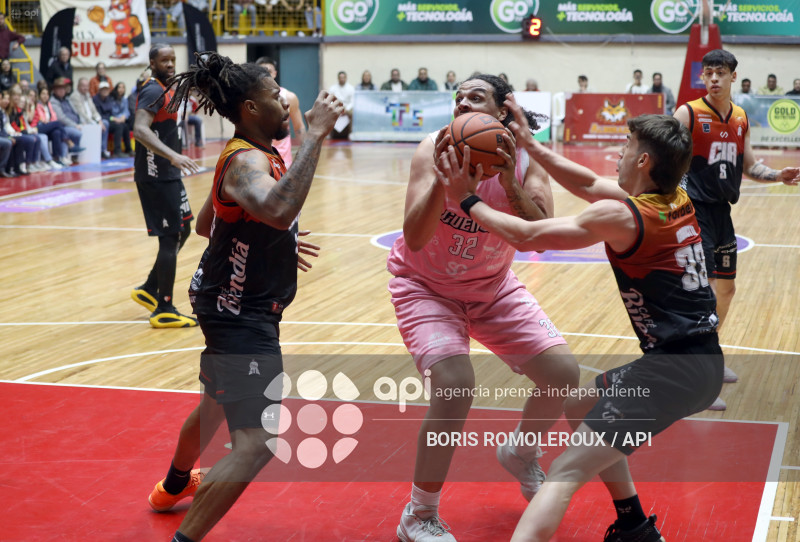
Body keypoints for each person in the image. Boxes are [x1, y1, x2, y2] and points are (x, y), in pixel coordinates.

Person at [437, 99, 723, 542]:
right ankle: (633, 525)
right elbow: (588, 183)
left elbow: (527, 236)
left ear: (644, 161)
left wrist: (466, 198)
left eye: (627, 145)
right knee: (579, 404)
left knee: (565, 471)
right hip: (700, 363)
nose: (619, 153)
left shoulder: (625, 216)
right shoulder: (674, 198)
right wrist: (532, 144)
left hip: (672, 371)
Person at [145, 51, 343, 542]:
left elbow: (208, 225)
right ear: (251, 108)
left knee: (215, 404)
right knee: (256, 443)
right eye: (276, 95)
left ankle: (173, 484)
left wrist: (275, 242)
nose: (285, 101)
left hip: (223, 299)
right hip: (240, 314)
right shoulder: (247, 160)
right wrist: (315, 134)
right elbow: (276, 209)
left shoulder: (245, 151)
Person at [388, 73, 579, 542]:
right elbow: (414, 238)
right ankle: (419, 514)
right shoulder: (432, 149)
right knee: (454, 387)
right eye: (459, 97)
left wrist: (509, 186)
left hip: (493, 288)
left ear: (502, 111)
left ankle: (520, 452)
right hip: (426, 287)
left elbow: (541, 237)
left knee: (563, 373)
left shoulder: (525, 158)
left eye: (476, 97)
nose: (462, 103)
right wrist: (444, 184)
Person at [674, 49, 800, 409]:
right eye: (708, 73)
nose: (714, 79)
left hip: (721, 212)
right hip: (693, 211)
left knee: (726, 291)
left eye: (720, 73)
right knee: (706, 291)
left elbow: (749, 165)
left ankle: (708, 355)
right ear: (703, 77)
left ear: (733, 77)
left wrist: (777, 175)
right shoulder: (687, 113)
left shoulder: (741, 117)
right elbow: (665, 156)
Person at [130, 44, 202, 328]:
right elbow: (140, 129)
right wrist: (173, 155)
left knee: (183, 228)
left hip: (168, 174)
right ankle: (164, 308)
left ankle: (150, 288)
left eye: (173, 59)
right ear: (152, 63)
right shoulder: (152, 89)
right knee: (170, 237)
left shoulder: (167, 87)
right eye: (164, 60)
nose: (170, 64)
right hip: (156, 175)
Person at [255, 56, 306, 166]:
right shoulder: (250, 98)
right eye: (261, 71)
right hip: (258, 160)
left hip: (283, 160)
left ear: (275, 73)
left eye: (269, 71)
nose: (265, 75)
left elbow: (299, 127)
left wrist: (305, 156)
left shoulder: (289, 97)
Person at [46, 78, 85, 165]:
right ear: (54, 90)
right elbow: (61, 118)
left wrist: (80, 121)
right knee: (74, 132)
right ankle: (67, 153)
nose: (62, 90)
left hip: (70, 124)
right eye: (59, 88)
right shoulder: (53, 102)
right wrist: (74, 125)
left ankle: (68, 156)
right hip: (63, 125)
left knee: (63, 133)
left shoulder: (67, 99)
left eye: (63, 88)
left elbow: (76, 112)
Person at [70, 77, 109, 158]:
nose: (85, 88)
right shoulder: (75, 96)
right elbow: (81, 113)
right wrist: (94, 123)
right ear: (78, 86)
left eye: (87, 86)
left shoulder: (87, 95)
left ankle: (102, 150)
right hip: (82, 121)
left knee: (105, 123)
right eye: (83, 86)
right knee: (96, 126)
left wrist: (99, 120)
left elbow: (94, 110)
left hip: (91, 120)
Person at [94, 81, 131, 157]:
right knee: (118, 126)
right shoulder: (96, 99)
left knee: (124, 125)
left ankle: (128, 149)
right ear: (99, 90)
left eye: (106, 89)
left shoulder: (108, 98)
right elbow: (99, 115)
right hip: (101, 121)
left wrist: (120, 118)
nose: (105, 91)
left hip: (109, 119)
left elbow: (112, 113)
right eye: (103, 89)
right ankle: (117, 152)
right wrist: (114, 118)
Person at [328, 70, 354, 139]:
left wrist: (346, 109)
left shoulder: (351, 88)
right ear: (338, 78)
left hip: (347, 108)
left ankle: (350, 133)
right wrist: (337, 109)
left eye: (343, 77)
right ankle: (329, 134)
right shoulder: (333, 88)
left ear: (346, 78)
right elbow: (330, 100)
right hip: (336, 108)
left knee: (353, 114)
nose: (342, 79)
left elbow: (352, 102)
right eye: (340, 78)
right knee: (327, 112)